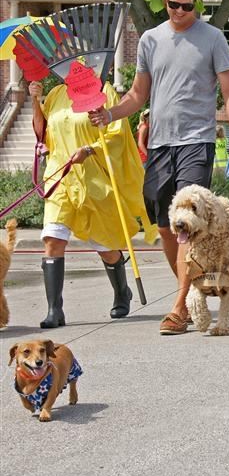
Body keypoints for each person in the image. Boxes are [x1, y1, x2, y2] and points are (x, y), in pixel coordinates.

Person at [89, 0, 229, 335]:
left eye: (187, 6)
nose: (180, 12)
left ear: (196, 2)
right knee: (166, 224)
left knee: (189, 221)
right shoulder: (150, 39)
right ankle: (193, 290)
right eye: (174, 5)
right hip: (161, 143)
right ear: (165, 0)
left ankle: (179, 307)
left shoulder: (212, 38)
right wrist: (109, 114)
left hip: (196, 140)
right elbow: (137, 95)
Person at [29, 80, 157, 328]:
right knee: (52, 238)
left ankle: (122, 292)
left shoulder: (102, 91)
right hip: (60, 176)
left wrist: (90, 149)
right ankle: (55, 310)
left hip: (94, 179)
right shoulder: (55, 94)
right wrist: (35, 100)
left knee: (105, 246)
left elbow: (117, 135)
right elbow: (42, 132)